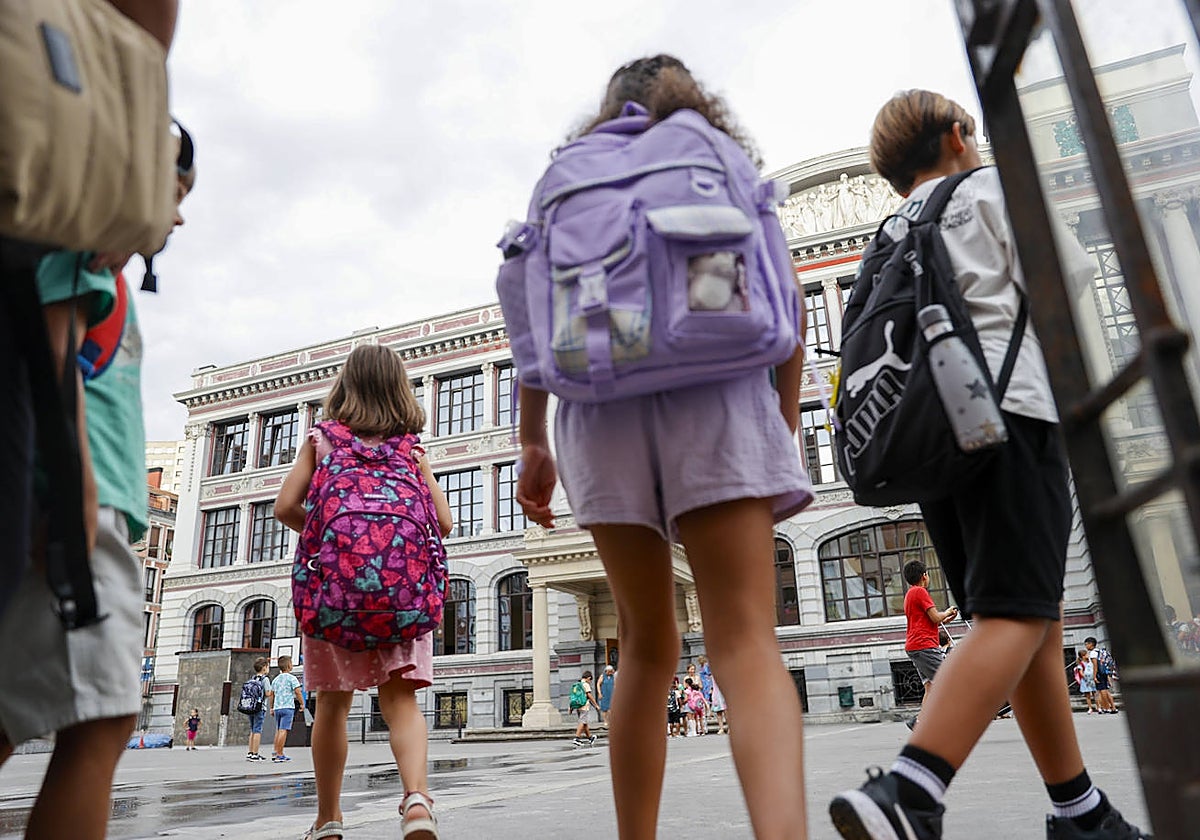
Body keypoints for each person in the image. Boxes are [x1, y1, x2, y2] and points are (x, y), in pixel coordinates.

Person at [828, 89, 1150, 840]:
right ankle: (910, 789)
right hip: (1011, 416)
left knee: (1022, 615)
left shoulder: (888, 233)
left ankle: (1079, 810)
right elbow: (1064, 279)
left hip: (937, 441)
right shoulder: (986, 186)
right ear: (956, 134)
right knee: (1018, 612)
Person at [515, 54, 812, 840]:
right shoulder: (712, 153)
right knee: (744, 640)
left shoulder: (568, 174)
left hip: (597, 408)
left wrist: (530, 442)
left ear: (606, 108)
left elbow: (531, 316)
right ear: (692, 98)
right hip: (717, 396)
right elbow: (787, 304)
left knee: (646, 645)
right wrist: (779, 422)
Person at [0, 119, 194, 840]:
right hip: (86, 507)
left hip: (76, 500)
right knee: (107, 714)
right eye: (173, 190)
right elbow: (56, 362)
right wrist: (79, 488)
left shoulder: (96, 260)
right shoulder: (84, 246)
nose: (178, 213)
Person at [275, 343, 452, 840]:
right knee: (401, 703)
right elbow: (442, 521)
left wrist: (330, 537)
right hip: (403, 596)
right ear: (400, 388)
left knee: (333, 703)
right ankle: (416, 800)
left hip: (335, 596)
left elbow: (285, 507)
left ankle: (328, 818)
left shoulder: (322, 440)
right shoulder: (410, 450)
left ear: (344, 386)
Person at [901, 560, 959, 732]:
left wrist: (947, 618)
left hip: (915, 646)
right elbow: (935, 617)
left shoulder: (910, 594)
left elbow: (929, 621)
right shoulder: (920, 592)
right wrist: (948, 611)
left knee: (931, 686)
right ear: (924, 576)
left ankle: (918, 723)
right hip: (924, 646)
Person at [269, 655, 303, 764]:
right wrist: (302, 703)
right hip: (287, 707)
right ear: (289, 665)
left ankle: (275, 752)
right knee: (284, 730)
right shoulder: (292, 678)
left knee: (278, 730)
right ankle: (280, 754)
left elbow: (271, 695)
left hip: (278, 707)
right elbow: (297, 691)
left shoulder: (275, 679)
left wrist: (271, 707)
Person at [246, 656, 274, 760]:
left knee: (252, 730)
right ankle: (255, 753)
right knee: (257, 730)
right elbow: (267, 693)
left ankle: (250, 752)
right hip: (260, 707)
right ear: (264, 667)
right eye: (268, 667)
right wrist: (271, 692)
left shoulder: (252, 678)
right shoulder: (265, 679)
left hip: (250, 707)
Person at [1083, 637, 1118, 714]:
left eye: (1086, 644)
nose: (1086, 646)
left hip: (1099, 673)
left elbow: (1095, 665)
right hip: (1104, 672)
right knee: (1105, 690)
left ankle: (1107, 708)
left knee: (1102, 691)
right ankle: (1113, 707)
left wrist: (1094, 676)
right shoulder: (1099, 651)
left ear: (1091, 644)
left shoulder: (1093, 653)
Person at [572, 671, 600, 748]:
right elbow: (589, 696)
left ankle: (590, 738)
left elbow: (573, 696)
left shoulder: (577, 684)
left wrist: (571, 707)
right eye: (590, 680)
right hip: (584, 706)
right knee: (582, 721)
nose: (590, 682)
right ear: (589, 678)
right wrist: (596, 705)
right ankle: (576, 738)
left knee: (584, 722)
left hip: (578, 705)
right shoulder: (585, 685)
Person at [1075, 650, 1098, 715]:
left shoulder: (1090, 661)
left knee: (1094, 693)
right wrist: (1086, 678)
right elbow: (1081, 672)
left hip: (1092, 679)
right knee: (1088, 695)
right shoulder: (1081, 664)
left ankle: (1098, 706)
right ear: (1083, 656)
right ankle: (1090, 708)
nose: (1088, 655)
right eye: (1086, 654)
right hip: (1085, 680)